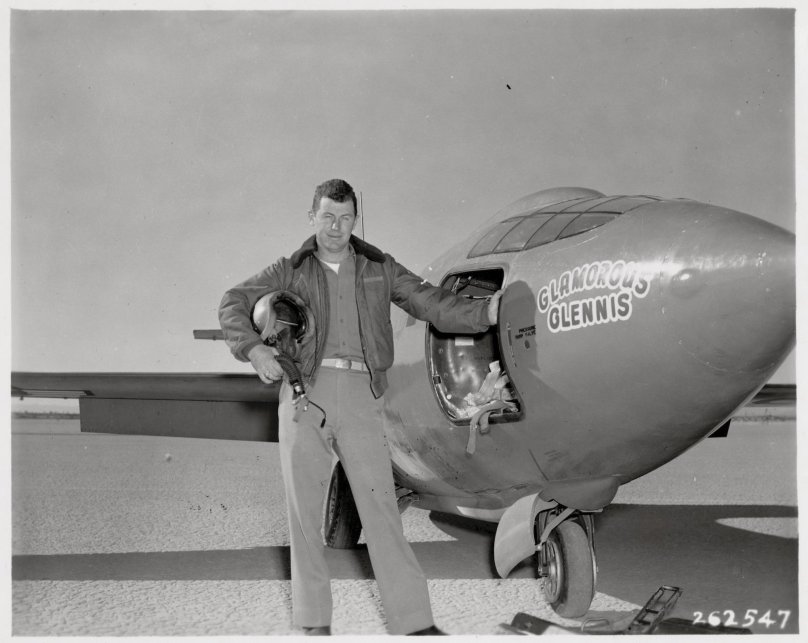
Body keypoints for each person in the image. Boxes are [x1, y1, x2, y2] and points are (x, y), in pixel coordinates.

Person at [219, 179, 501, 636]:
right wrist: (253, 350)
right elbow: (233, 302)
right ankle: (314, 626)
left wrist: (483, 314)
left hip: (360, 396)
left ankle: (415, 624)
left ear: (356, 219)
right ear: (312, 216)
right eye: (328, 217)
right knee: (305, 519)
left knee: (382, 514)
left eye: (346, 218)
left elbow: (431, 302)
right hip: (303, 394)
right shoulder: (289, 269)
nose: (336, 227)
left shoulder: (378, 267)